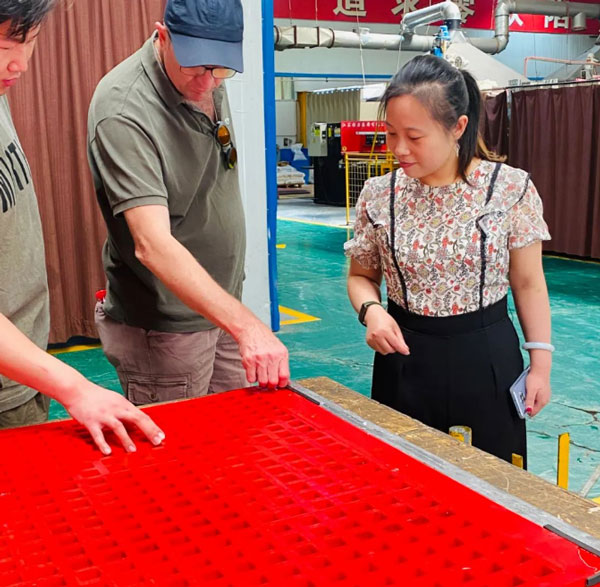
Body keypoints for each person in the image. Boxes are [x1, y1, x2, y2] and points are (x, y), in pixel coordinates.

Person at [345, 55, 552, 466]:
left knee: (492, 478)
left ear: (457, 127)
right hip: (403, 356)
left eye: (414, 136)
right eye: (391, 133)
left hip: (486, 357)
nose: (399, 149)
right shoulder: (379, 194)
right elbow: (360, 276)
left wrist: (540, 366)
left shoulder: (509, 189)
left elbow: (528, 283)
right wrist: (372, 311)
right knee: (402, 476)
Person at [87, 0, 289, 404]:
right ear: (163, 37)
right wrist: (249, 327)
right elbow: (152, 244)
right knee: (179, 441)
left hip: (222, 306)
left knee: (236, 432)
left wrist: (237, 319)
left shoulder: (206, 71)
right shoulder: (124, 111)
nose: (207, 83)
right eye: (195, 68)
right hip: (167, 328)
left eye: (220, 69)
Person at [0, 0, 165, 455]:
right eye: (4, 46)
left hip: (22, 371)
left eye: (29, 43)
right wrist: (74, 387)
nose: (19, 64)